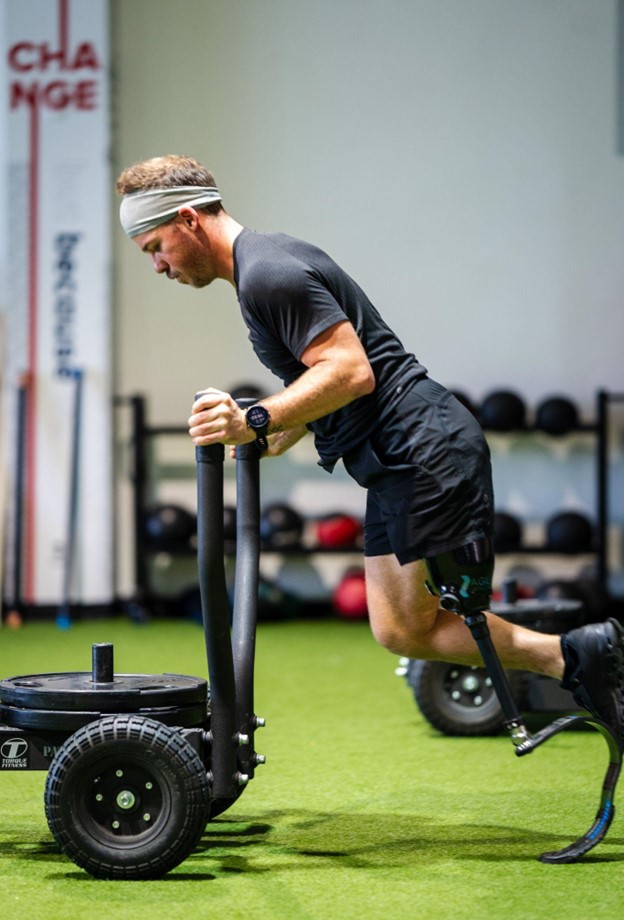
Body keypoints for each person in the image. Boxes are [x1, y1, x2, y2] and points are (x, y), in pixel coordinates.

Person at [116, 154, 623, 746]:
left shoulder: (267, 272)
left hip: (423, 448)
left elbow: (352, 371)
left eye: (155, 246)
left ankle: (583, 659)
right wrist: (274, 430)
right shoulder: (259, 270)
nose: (157, 265)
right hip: (395, 459)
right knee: (400, 628)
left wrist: (255, 415)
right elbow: (322, 381)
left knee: (423, 619)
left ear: (188, 219)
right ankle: (578, 657)